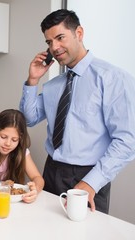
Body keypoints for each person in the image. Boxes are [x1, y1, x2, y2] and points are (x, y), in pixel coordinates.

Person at [19, 9, 135, 214]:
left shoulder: (112, 78)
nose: (54, 47)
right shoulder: (53, 85)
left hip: (87, 175)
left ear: (79, 33)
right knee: (46, 229)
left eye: (60, 37)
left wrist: (91, 183)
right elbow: (29, 119)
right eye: (49, 42)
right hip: (51, 169)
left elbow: (127, 140)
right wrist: (33, 80)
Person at [0, 109, 44, 203]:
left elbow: (37, 178)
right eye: (3, 137)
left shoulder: (22, 151)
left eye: (14, 140)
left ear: (20, 139)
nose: (8, 143)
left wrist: (35, 189)